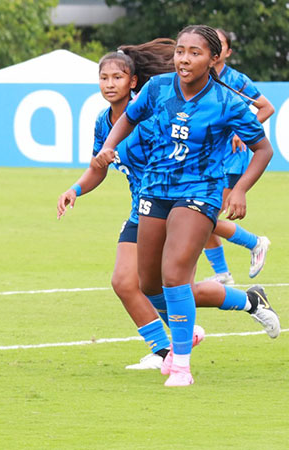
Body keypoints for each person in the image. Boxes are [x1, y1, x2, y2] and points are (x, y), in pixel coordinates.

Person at [57, 40, 275, 372]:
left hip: (172, 203)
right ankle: (164, 349)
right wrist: (75, 188)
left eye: (117, 78)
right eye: (104, 78)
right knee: (126, 282)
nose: (109, 84)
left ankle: (242, 301)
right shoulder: (106, 122)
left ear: (133, 82)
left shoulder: (150, 115)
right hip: (142, 209)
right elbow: (98, 166)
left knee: (175, 287)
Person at [201, 28, 275, 285]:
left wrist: (244, 133)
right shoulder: (199, 77)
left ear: (227, 52)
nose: (215, 48)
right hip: (205, 156)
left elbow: (267, 107)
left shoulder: (237, 80)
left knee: (204, 216)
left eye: (220, 44)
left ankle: (254, 243)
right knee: (200, 216)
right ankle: (222, 273)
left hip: (230, 158)